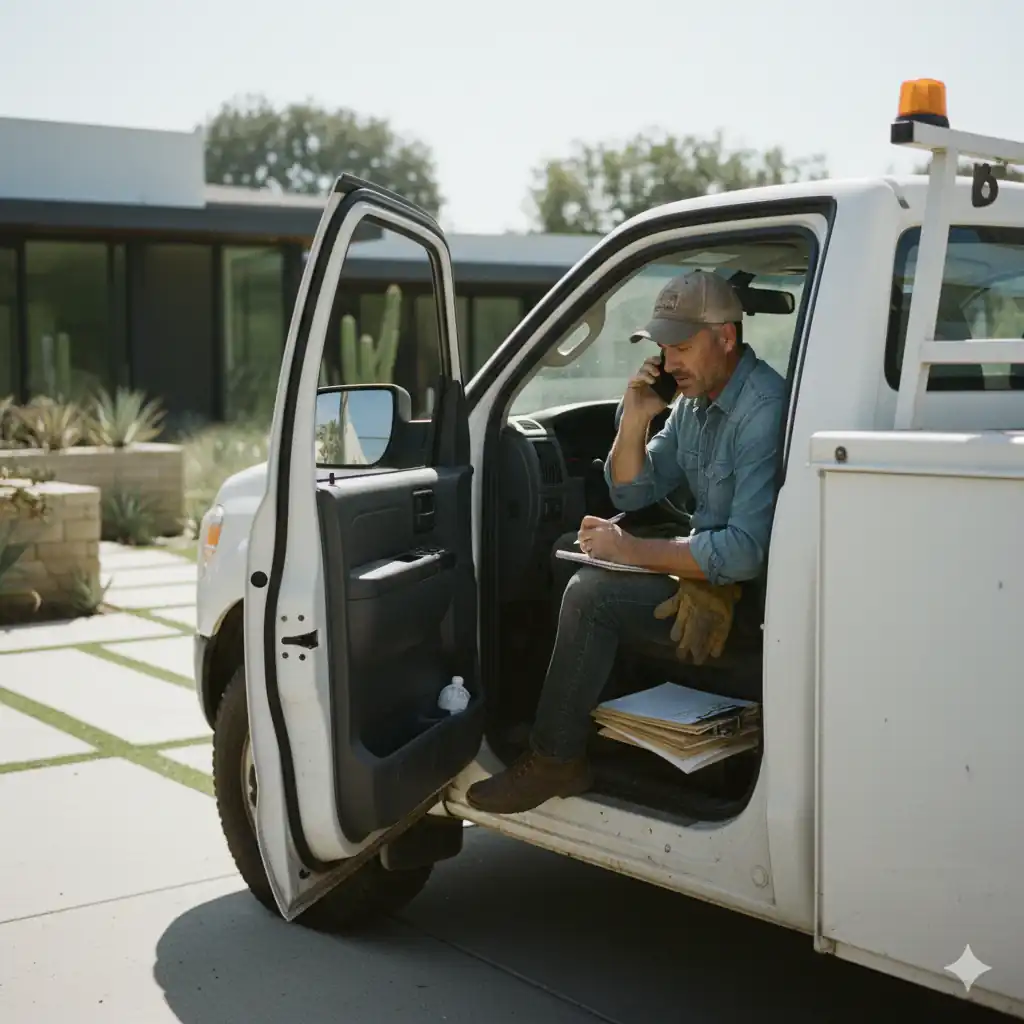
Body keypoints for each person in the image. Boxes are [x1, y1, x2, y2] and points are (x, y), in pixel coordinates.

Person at [466, 270, 787, 815]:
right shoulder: (691, 402)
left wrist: (636, 552)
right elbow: (633, 488)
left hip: (756, 597)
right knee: (571, 550)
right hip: (714, 566)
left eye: (682, 346)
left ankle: (557, 756)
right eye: (664, 347)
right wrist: (636, 416)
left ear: (727, 337)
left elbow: (746, 552)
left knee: (592, 596)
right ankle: (602, 732)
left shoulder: (763, 411)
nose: (671, 360)